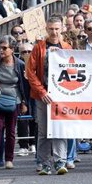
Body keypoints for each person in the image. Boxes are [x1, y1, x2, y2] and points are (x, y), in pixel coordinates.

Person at [26, 16, 73, 175]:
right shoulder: (39, 48)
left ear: (62, 29)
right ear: (46, 29)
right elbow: (30, 72)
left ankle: (61, 161)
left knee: (60, 129)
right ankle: (44, 163)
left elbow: (74, 70)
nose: (54, 32)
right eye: (51, 29)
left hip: (62, 96)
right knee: (44, 130)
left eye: (57, 29)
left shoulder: (67, 47)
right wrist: (42, 91)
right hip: (43, 95)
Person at [0, 35, 29, 170]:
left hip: (14, 100)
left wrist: (24, 103)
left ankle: (9, 159)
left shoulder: (19, 64)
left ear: (12, 49)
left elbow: (24, 85)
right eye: (0, 48)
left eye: (4, 48)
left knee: (11, 131)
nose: (1, 51)